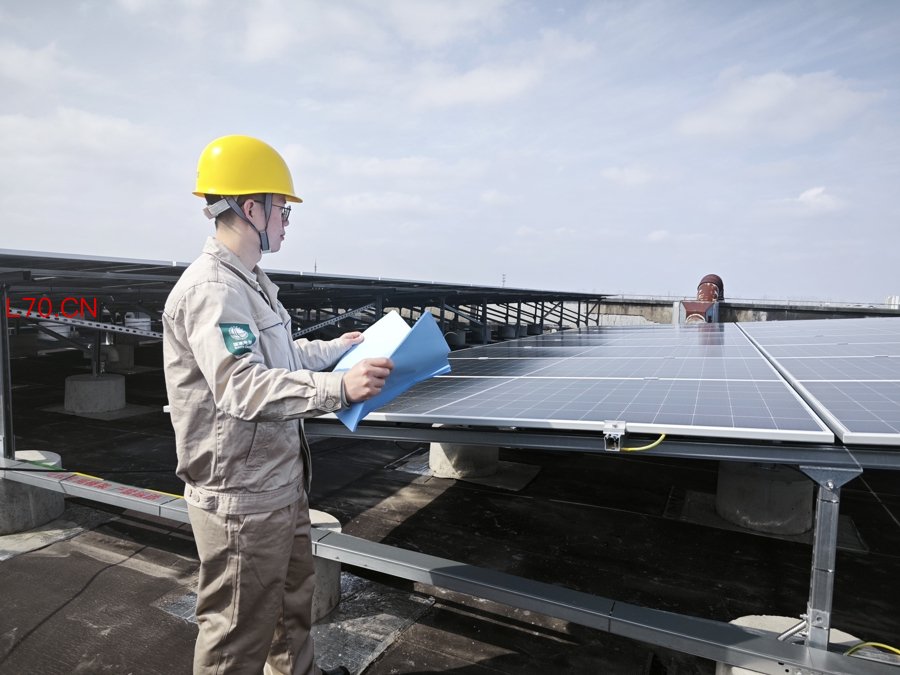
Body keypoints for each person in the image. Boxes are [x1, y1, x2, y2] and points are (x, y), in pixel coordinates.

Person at [162, 134, 393, 675]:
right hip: (241, 498)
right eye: (282, 210)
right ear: (252, 209)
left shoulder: (251, 283)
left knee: (291, 613)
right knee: (237, 635)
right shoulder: (212, 290)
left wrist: (336, 349)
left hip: (279, 483)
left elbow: (280, 355)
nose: (287, 222)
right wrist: (338, 388)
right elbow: (242, 386)